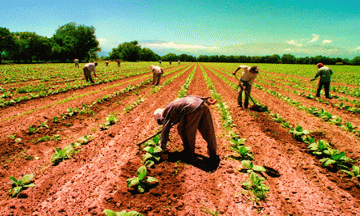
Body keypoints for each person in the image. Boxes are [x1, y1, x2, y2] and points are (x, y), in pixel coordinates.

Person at [153, 96, 219, 162]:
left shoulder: (165, 113)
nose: (161, 123)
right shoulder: (171, 106)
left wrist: (162, 148)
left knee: (184, 130)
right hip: (202, 104)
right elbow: (191, 97)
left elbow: (165, 130)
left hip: (192, 108)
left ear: (160, 118)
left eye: (160, 122)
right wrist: (206, 100)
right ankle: (213, 153)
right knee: (208, 131)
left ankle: (189, 154)